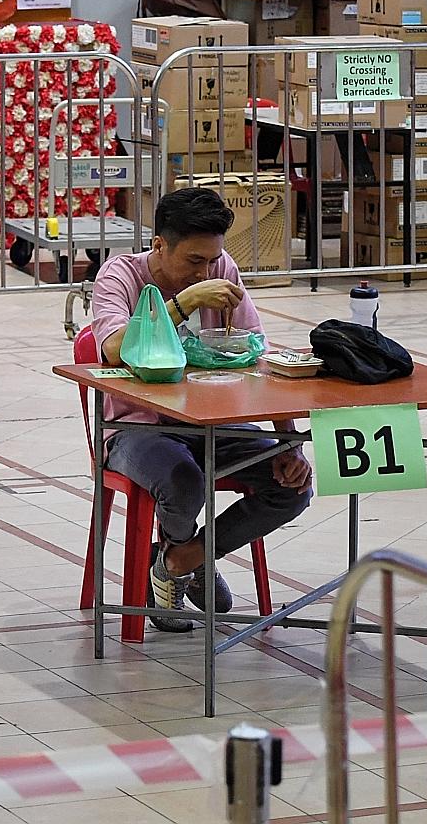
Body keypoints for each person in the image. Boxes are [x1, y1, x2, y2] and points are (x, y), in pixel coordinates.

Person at [89, 187, 312, 631]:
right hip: (134, 428)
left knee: (291, 487)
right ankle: (183, 560)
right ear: (159, 245)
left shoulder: (222, 269)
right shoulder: (120, 276)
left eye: (212, 260)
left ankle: (181, 558)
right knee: (184, 482)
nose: (206, 272)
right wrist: (184, 302)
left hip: (211, 422)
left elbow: (258, 354)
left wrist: (290, 445)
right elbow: (114, 350)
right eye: (194, 261)